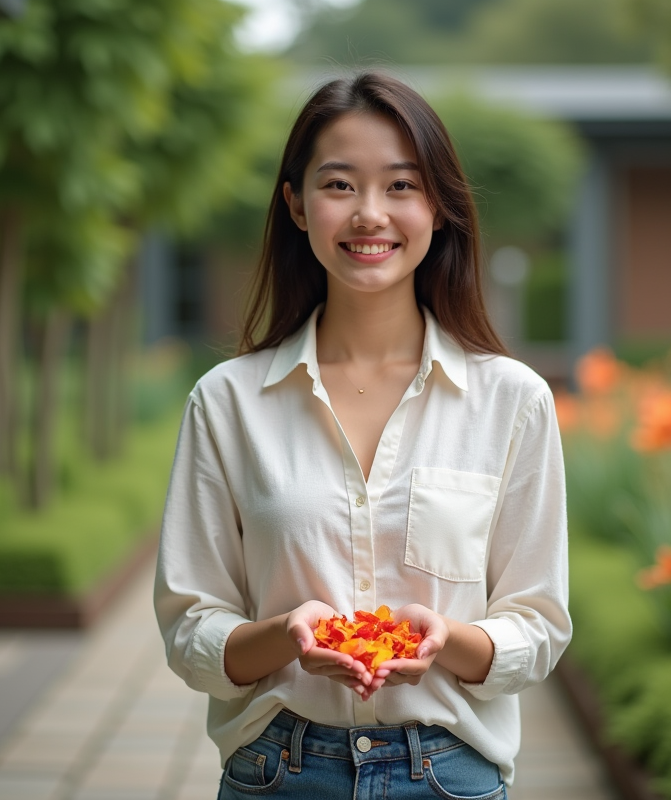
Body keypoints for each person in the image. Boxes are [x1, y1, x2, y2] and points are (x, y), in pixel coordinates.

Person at [154, 70, 571, 799]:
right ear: (295, 204)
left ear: (438, 208)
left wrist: (450, 642)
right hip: (276, 773)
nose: (369, 214)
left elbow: (538, 625)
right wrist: (287, 635)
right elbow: (191, 629)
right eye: (339, 185)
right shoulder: (227, 402)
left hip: (450, 774)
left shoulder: (513, 402)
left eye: (402, 186)